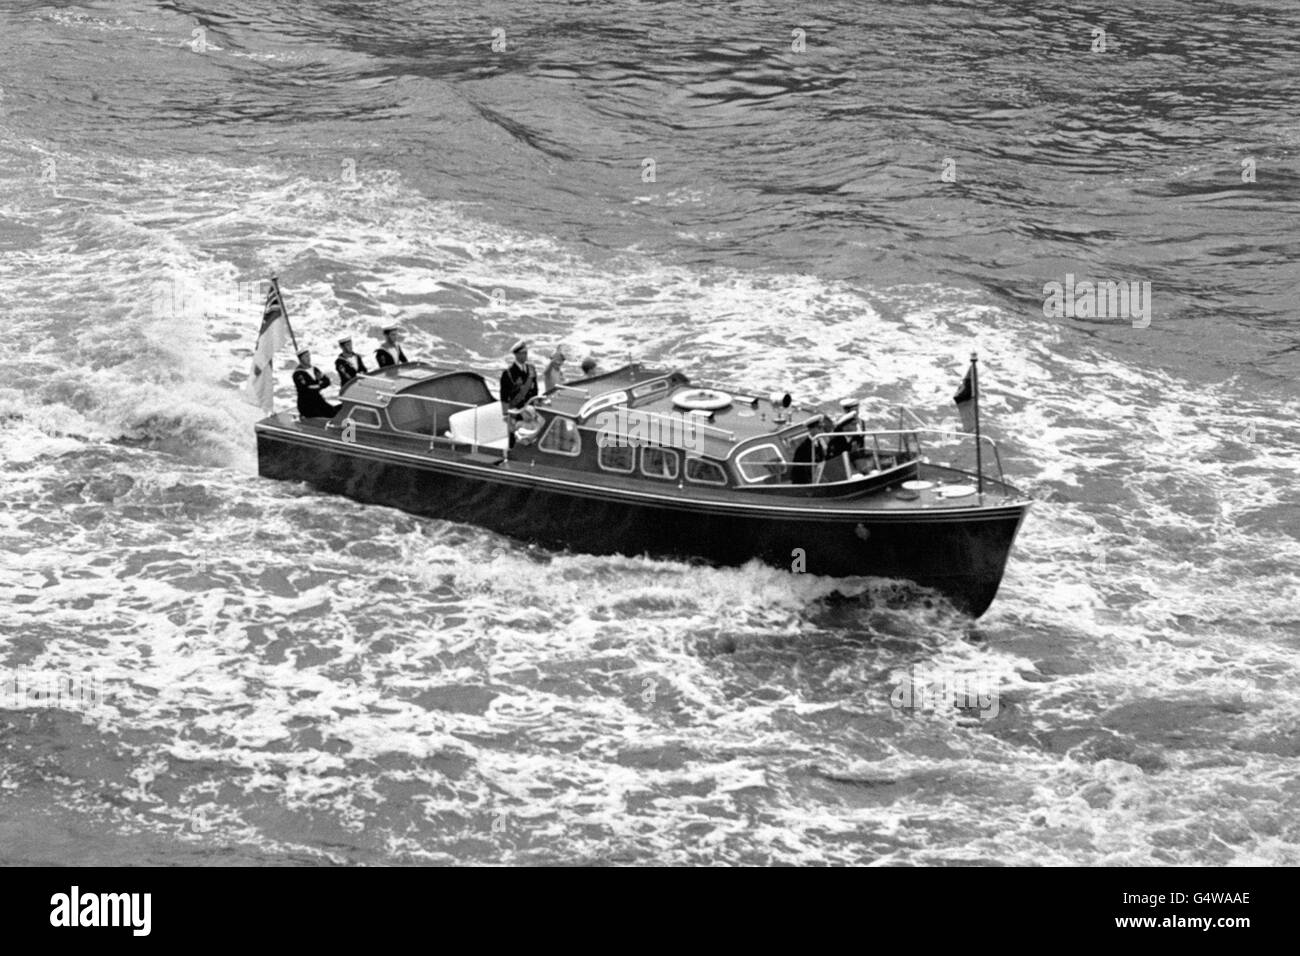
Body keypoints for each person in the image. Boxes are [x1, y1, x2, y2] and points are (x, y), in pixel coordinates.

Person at [499, 339, 539, 447]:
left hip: (530, 409)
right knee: (515, 437)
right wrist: (506, 414)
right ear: (516, 355)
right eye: (522, 353)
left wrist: (535, 404)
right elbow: (504, 395)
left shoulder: (531, 369)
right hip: (516, 409)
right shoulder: (508, 373)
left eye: (526, 353)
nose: (525, 356)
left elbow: (535, 389)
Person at [292, 349, 340, 419]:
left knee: (335, 412)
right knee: (324, 416)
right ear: (300, 358)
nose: (308, 358)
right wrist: (320, 385)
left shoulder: (314, 370)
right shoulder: (298, 374)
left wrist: (319, 385)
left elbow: (326, 381)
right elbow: (306, 388)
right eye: (306, 357)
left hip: (318, 400)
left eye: (308, 356)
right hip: (307, 404)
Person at [790, 416, 828, 485]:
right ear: (811, 430)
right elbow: (801, 470)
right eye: (819, 427)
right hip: (804, 483)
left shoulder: (818, 443)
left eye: (822, 427)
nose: (822, 430)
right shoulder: (803, 448)